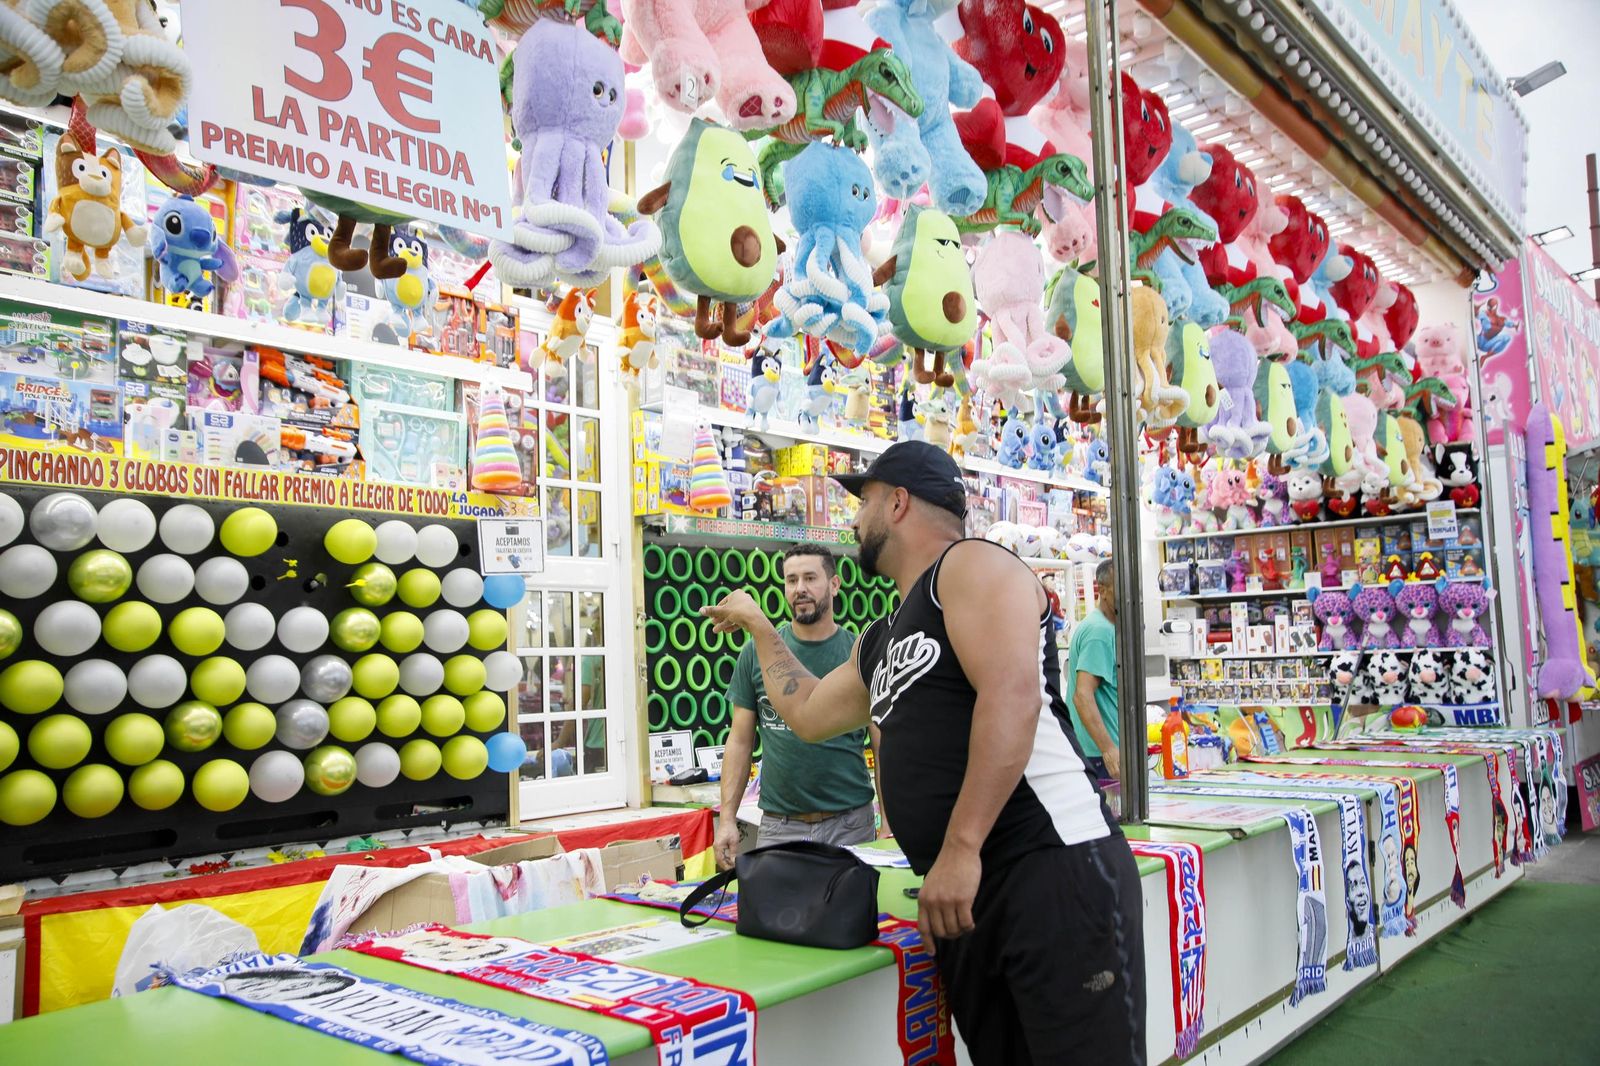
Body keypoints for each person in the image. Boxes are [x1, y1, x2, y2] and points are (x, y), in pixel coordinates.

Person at [703, 441, 1145, 1065]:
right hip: (963, 898)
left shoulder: (969, 566)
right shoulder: (883, 635)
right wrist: (760, 626)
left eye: (866, 500)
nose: (855, 519)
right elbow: (804, 712)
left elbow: (1012, 697)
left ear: (899, 501)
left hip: (1049, 867)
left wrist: (961, 849)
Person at [715, 543, 880, 870]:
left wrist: (890, 823)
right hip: (780, 826)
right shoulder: (756, 652)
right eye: (791, 580)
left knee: (852, 918)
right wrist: (727, 819)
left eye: (809, 578)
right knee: (777, 920)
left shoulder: (859, 653)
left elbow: (883, 741)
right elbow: (740, 740)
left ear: (834, 584)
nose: (800, 589)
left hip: (850, 823)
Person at [1066, 559, 1122, 782]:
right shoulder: (1099, 632)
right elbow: (1082, 695)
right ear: (1103, 590)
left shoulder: (1108, 628)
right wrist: (1108, 749)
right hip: (1100, 756)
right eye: (1121, 587)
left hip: (1104, 753)